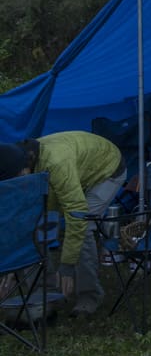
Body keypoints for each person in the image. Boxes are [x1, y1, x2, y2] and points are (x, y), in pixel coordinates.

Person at [0, 131, 125, 317]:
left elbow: (77, 213)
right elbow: (22, 221)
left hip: (105, 169)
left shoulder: (56, 162)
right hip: (74, 170)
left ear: (25, 169)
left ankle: (89, 296)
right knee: (33, 230)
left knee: (84, 226)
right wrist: (10, 267)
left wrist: (67, 264)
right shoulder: (18, 165)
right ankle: (46, 294)